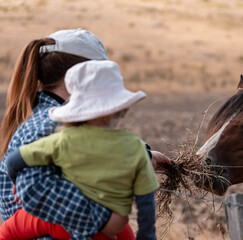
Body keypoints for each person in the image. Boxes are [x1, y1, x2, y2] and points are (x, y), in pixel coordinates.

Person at [0, 29, 170, 239]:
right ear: (78, 76)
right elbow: (47, 194)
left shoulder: (41, 118)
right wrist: (103, 219)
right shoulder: (50, 127)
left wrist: (142, 156)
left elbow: (88, 155)